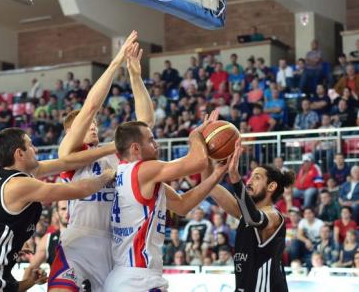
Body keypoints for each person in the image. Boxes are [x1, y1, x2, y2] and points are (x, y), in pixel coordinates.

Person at [50, 32, 153, 292]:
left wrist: (135, 76)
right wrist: (116, 61)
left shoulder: (113, 154)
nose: (93, 125)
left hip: (115, 243)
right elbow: (92, 105)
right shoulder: (69, 155)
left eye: (95, 124)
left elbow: (146, 124)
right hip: (80, 240)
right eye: (86, 124)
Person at [0, 127, 116, 292]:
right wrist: (106, 175)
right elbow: (79, 190)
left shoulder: (5, 178)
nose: (36, 149)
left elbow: (66, 163)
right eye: (31, 145)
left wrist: (111, 147)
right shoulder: (18, 185)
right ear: (20, 154)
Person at [104, 112, 230, 291]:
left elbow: (182, 205)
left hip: (126, 276)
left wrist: (216, 175)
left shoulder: (126, 173)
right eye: (151, 140)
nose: (156, 145)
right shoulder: (144, 170)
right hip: (137, 278)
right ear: (135, 149)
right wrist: (195, 135)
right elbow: (198, 161)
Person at [208, 139, 293, 292]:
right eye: (250, 176)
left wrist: (234, 176)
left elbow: (253, 218)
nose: (249, 181)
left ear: (271, 186)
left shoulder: (274, 215)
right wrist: (207, 149)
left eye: (257, 177)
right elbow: (209, 185)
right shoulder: (244, 213)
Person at [23, 201, 68, 279]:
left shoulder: (88, 236)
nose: (68, 212)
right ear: (57, 212)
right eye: (63, 209)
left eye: (71, 208)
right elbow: (30, 269)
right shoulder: (48, 239)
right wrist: (37, 279)